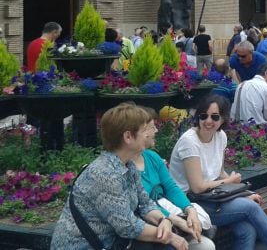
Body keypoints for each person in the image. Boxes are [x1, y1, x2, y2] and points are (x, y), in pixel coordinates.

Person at [169, 95, 267, 250]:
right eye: (203, 116)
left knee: (246, 229)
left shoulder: (220, 136)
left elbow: (219, 173)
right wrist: (230, 182)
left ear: (223, 119)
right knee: (251, 208)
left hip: (212, 197)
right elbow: (197, 187)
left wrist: (245, 193)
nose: (208, 121)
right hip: (190, 204)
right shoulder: (189, 142)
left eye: (215, 117)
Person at [52, 103, 189, 250]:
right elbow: (128, 227)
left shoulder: (128, 166)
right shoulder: (104, 175)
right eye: (144, 130)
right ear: (128, 137)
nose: (150, 133)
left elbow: (145, 204)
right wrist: (171, 236)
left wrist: (164, 220)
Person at [136, 107, 215, 250]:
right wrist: (178, 222)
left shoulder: (152, 157)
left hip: (168, 215)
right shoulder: (123, 168)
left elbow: (171, 187)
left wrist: (189, 210)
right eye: (152, 127)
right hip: (150, 227)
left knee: (206, 246)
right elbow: (143, 207)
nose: (156, 131)